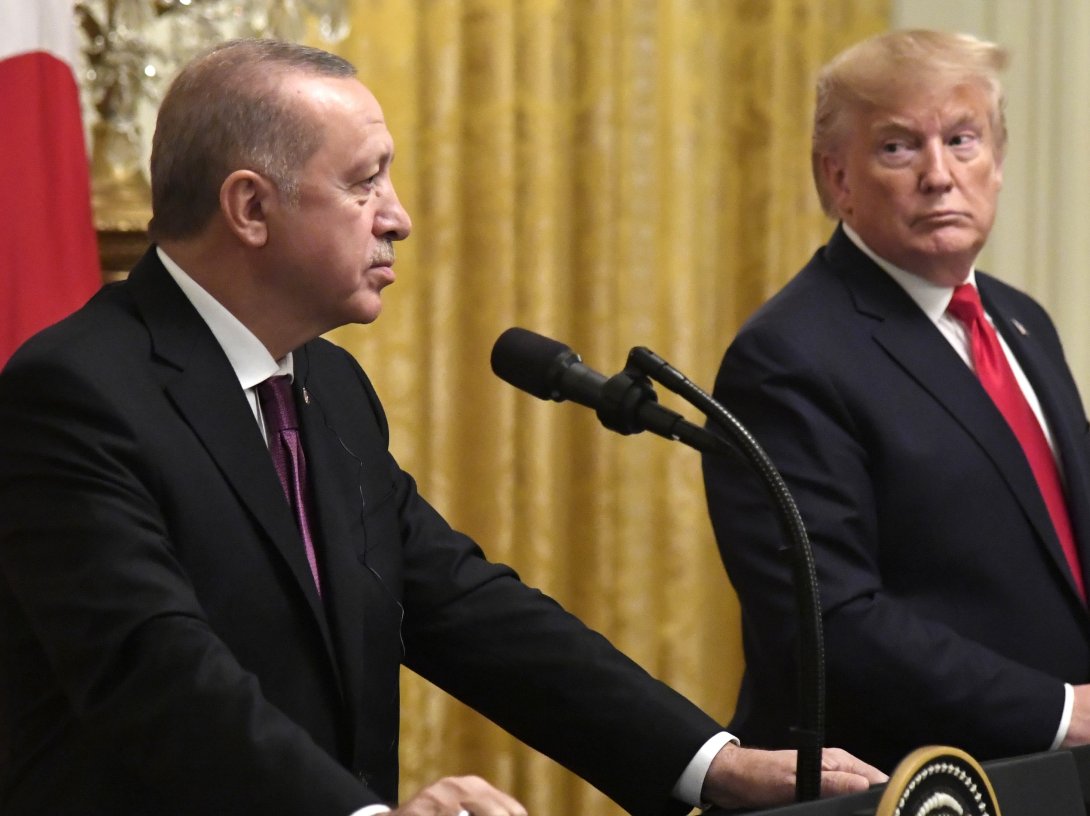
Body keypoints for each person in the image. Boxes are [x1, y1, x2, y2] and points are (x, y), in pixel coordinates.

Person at [0, 39, 883, 815]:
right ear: (251, 208)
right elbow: (157, 671)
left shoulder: (328, 384)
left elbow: (460, 605)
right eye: (364, 183)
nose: (399, 217)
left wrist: (712, 763)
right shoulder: (75, 394)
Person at [702, 28, 1090, 774]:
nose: (939, 175)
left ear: (999, 160)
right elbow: (832, 622)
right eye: (898, 147)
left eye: (962, 139)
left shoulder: (1022, 321)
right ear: (837, 178)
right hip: (905, 781)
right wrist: (1059, 712)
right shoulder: (787, 356)